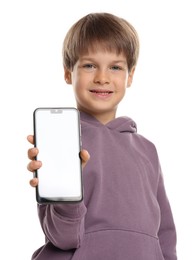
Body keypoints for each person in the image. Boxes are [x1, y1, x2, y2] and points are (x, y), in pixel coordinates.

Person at [27, 12, 177, 260]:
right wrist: (66, 197)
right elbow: (63, 237)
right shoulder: (60, 142)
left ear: (130, 76)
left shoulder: (147, 149)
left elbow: (165, 234)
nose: (102, 77)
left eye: (115, 67)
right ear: (68, 73)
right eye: (89, 65)